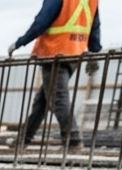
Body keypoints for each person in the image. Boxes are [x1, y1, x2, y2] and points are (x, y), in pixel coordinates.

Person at [9, 0, 101, 148]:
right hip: (74, 54)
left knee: (58, 98)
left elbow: (42, 21)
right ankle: (24, 138)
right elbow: (95, 25)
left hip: (55, 53)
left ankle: (73, 140)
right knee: (42, 100)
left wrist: (20, 42)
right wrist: (94, 51)